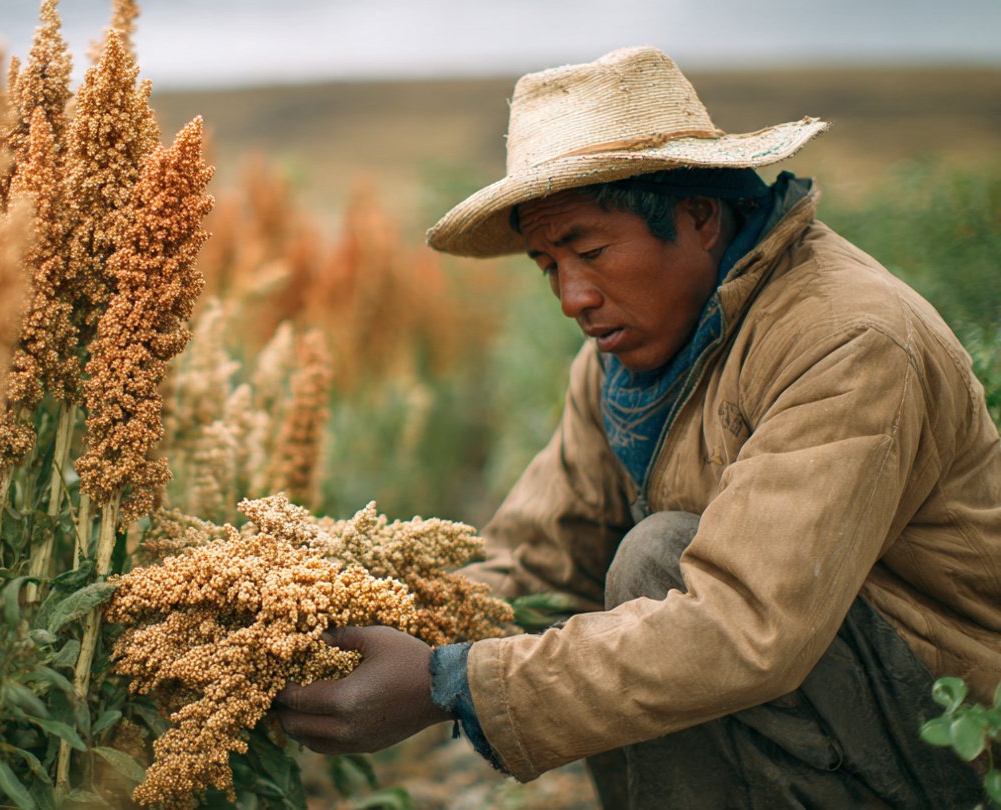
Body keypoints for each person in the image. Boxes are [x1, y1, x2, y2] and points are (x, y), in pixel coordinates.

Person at [271, 46, 999, 807]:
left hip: (951, 731)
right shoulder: (624, 358)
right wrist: (341, 621)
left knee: (655, 564)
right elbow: (537, 562)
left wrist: (447, 684)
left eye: (588, 251)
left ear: (700, 217)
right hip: (824, 707)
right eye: (548, 264)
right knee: (619, 588)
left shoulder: (847, 339)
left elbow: (748, 625)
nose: (572, 296)